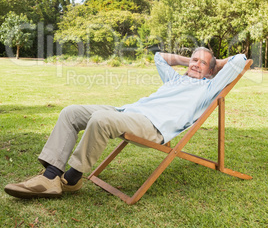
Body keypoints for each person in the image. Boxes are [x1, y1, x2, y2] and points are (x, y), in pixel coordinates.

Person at [4, 47, 246, 199]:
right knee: (71, 112)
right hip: (128, 112)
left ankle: (70, 179)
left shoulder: (208, 88)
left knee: (100, 119)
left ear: (210, 70)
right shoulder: (174, 78)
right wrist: (190, 60)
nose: (195, 64)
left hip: (152, 126)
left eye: (202, 63)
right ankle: (51, 175)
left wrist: (214, 65)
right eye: (194, 59)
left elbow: (239, 60)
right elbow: (159, 57)